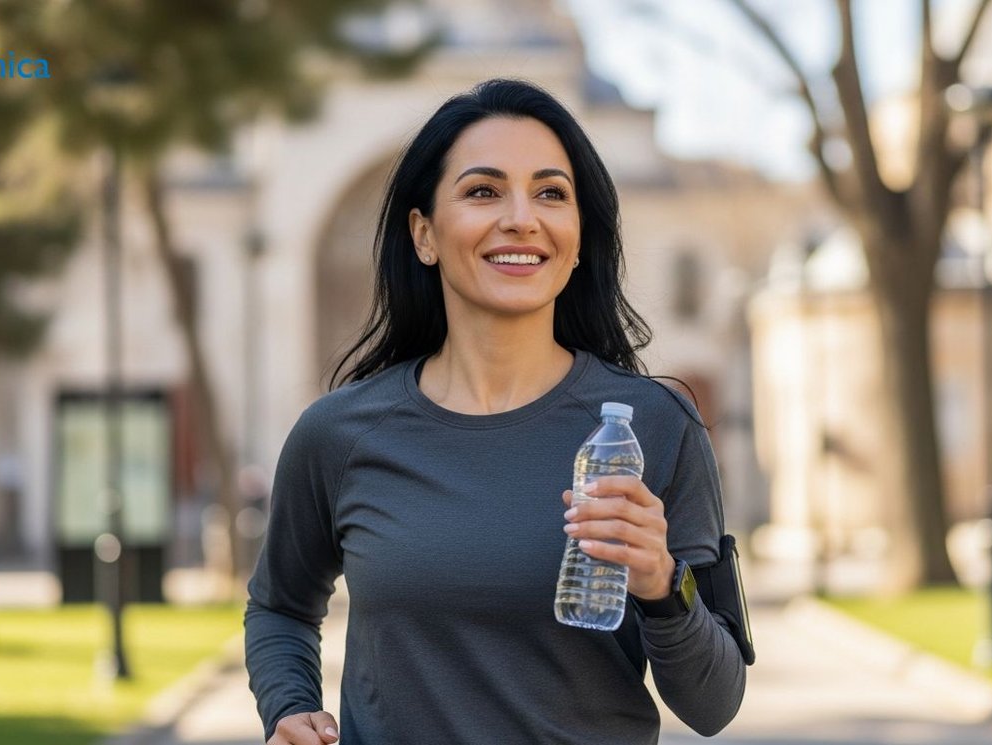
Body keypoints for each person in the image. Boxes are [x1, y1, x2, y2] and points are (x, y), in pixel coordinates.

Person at [245, 77, 747, 745]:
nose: (521, 217)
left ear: (575, 239)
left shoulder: (655, 427)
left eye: (551, 193)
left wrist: (661, 581)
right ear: (423, 233)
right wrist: (288, 706)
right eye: (483, 191)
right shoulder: (338, 433)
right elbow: (279, 605)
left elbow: (714, 705)